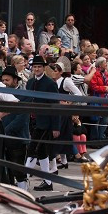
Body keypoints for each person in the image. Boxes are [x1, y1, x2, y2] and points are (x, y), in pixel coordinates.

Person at [25, 56, 60, 191]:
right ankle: (47, 181)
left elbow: (55, 105)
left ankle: (24, 177)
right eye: (35, 67)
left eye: (39, 66)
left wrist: (56, 127)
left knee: (34, 149)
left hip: (45, 122)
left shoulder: (50, 83)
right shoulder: (30, 82)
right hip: (32, 120)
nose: (37, 69)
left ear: (44, 68)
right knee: (41, 152)